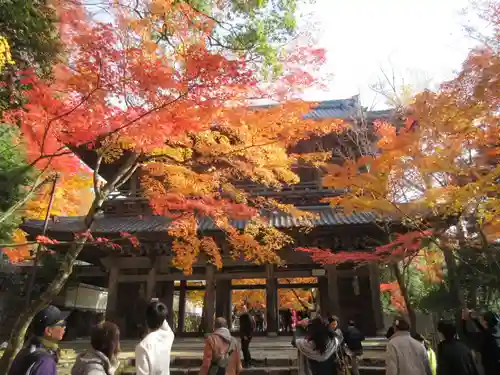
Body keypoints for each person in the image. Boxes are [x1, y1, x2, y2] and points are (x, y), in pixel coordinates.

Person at [8, 305, 69, 375]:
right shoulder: (45, 362)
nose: (64, 327)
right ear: (48, 331)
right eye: (62, 324)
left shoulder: (26, 350)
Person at [135, 300, 175, 375]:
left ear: (146, 321)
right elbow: (164, 323)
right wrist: (159, 310)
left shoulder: (142, 347)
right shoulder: (168, 336)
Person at [462, 309, 500, 375]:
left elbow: (466, 334)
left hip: (491, 369)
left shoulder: (485, 336)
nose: (481, 321)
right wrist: (475, 319)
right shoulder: (496, 332)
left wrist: (463, 320)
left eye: (482, 319)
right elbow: (484, 330)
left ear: (485, 322)